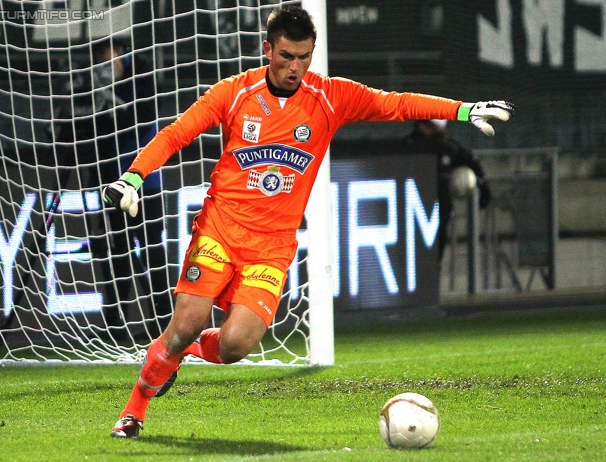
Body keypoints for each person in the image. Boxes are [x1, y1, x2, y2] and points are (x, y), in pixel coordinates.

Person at [103, 6, 515, 438]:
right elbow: (176, 133)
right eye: (286, 56)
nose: (295, 67)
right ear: (268, 50)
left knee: (236, 345)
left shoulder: (329, 96)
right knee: (183, 325)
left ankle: (179, 354)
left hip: (273, 245)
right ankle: (134, 412)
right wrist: (133, 176)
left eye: (304, 57)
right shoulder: (234, 93)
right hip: (220, 229)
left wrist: (461, 111)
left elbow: (394, 104)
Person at [53, 39, 172, 339]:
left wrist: (110, 99)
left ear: (123, 59)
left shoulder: (143, 81)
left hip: (146, 183)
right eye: (101, 66)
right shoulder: (91, 88)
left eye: (111, 63)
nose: (106, 71)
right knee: (116, 251)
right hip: (110, 180)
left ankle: (164, 322)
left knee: (153, 251)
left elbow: (137, 121)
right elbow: (89, 127)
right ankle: (114, 324)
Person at [397, 119, 492, 260]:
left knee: (434, 260)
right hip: (411, 215)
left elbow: (471, 161)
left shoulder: (448, 147)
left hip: (440, 212)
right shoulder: (407, 146)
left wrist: (484, 189)